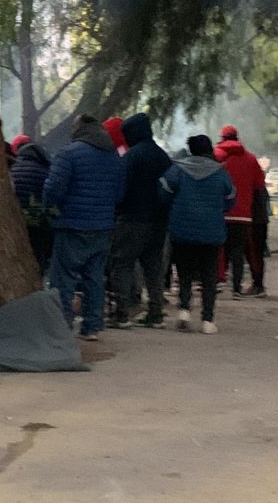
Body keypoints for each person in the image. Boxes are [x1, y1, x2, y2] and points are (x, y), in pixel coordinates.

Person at [43, 114, 124, 338]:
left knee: (64, 278)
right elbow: (119, 194)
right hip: (102, 227)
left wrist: (52, 210)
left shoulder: (69, 154)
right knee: (94, 278)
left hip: (72, 225)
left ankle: (63, 326)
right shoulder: (113, 157)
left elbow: (53, 189)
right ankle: (92, 326)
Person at [160, 135, 236, 334]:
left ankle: (184, 311)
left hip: (182, 230)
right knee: (209, 277)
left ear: (191, 150)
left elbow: (163, 193)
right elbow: (230, 198)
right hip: (211, 232)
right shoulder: (220, 173)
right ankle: (207, 320)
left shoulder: (177, 170)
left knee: (184, 273)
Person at [108, 112, 170, 329]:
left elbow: (120, 189)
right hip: (159, 220)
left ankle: (122, 313)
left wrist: (116, 208)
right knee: (153, 267)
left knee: (122, 263)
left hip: (132, 218)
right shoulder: (163, 156)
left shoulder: (131, 157)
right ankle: (155, 312)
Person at [214, 125, 266, 296]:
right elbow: (259, 186)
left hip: (221, 213)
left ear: (222, 138)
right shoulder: (251, 159)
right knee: (238, 251)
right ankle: (237, 287)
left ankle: (219, 281)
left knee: (220, 249)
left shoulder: (217, 157)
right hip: (244, 216)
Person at [10, 137, 53, 275]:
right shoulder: (46, 171)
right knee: (38, 253)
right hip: (39, 220)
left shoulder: (13, 169)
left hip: (15, 220)